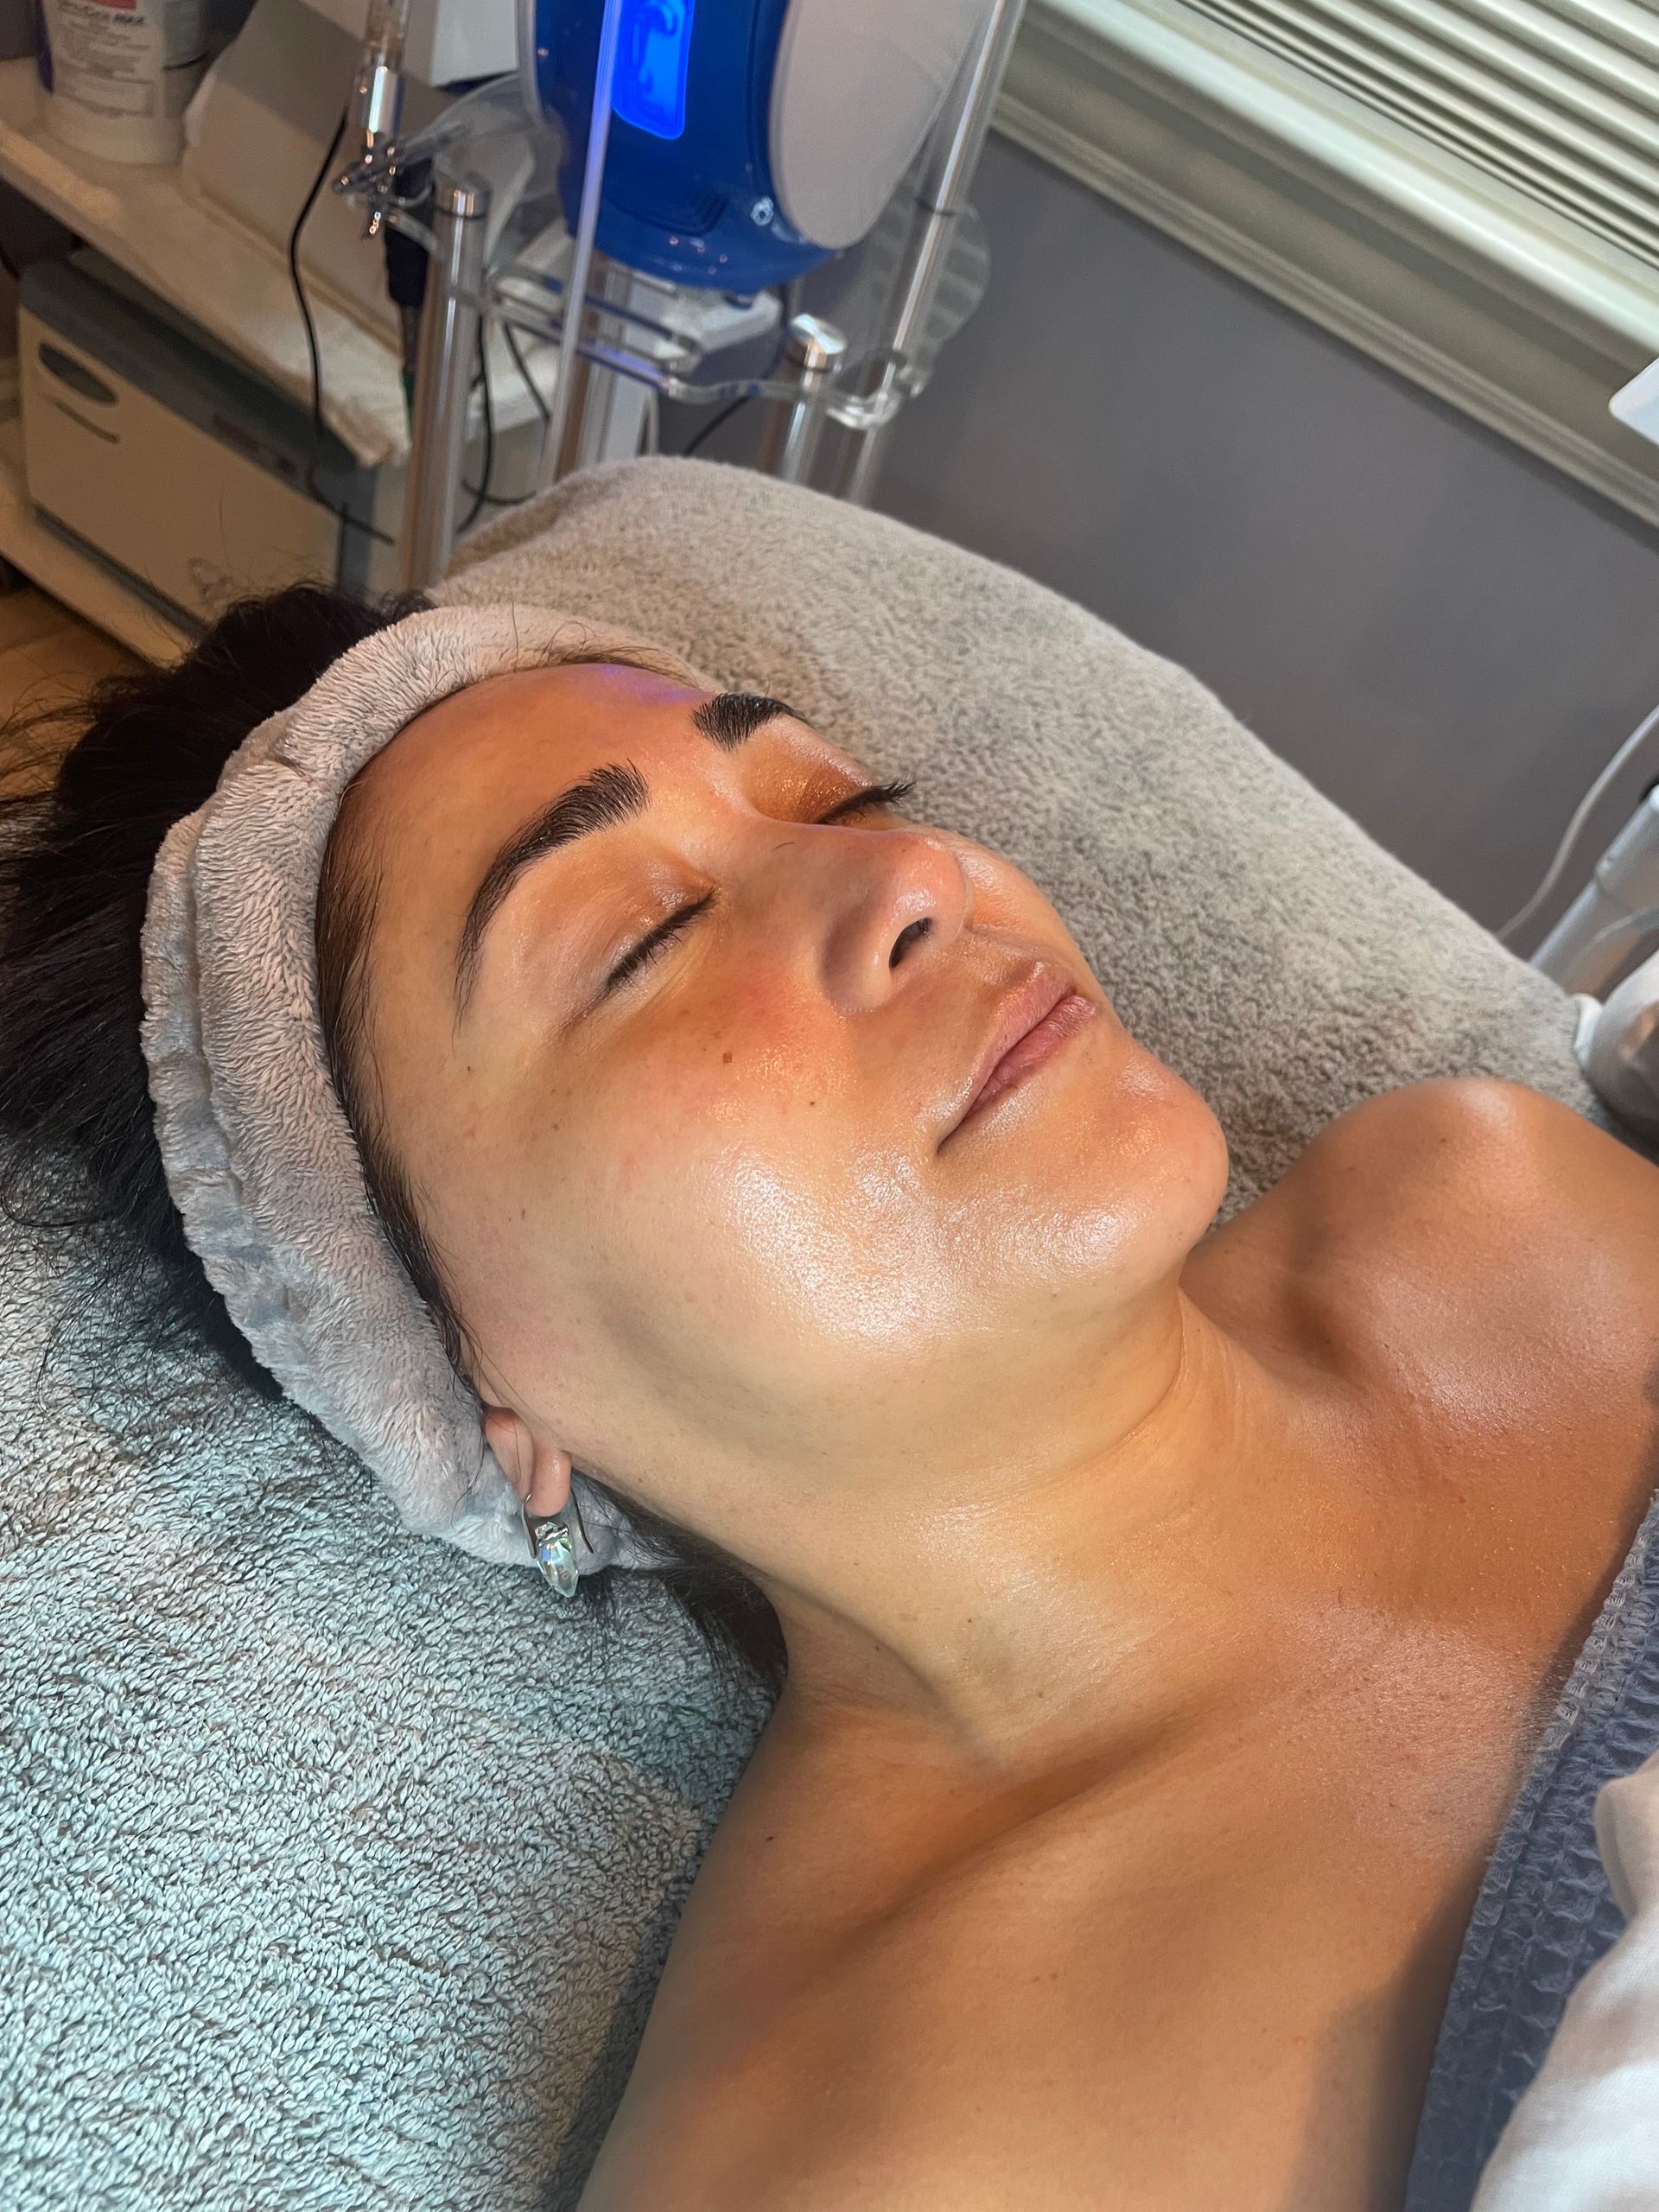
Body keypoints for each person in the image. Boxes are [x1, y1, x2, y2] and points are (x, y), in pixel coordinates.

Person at [3, 583, 1657, 2212]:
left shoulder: (1477, 1197)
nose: (916, 871)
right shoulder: (889, 2161)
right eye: (640, 939)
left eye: (840, 798)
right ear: (473, 1388)